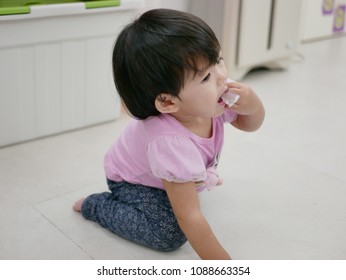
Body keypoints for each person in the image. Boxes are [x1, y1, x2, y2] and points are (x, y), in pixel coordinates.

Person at [73, 8, 265, 260]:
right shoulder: (170, 143)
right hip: (131, 182)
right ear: (167, 102)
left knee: (184, 194)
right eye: (206, 76)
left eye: (218, 60)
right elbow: (190, 217)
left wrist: (254, 106)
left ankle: (189, 177)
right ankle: (96, 205)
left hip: (167, 170)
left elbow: (248, 124)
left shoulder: (210, 100)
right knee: (168, 234)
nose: (222, 77)